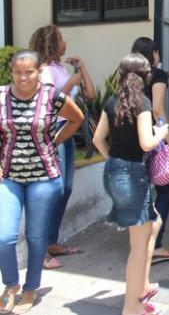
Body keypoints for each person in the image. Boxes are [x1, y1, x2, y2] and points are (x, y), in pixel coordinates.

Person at [0, 50, 83, 314]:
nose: (22, 77)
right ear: (11, 72)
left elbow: (76, 119)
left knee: (37, 238)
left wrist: (54, 141)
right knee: (4, 237)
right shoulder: (1, 97)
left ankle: (30, 288)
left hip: (43, 178)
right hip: (8, 177)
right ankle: (10, 285)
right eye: (17, 72)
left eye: (29, 71)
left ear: (39, 72)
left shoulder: (52, 96)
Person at [93, 53, 169, 315]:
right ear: (146, 76)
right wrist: (161, 131)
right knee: (137, 247)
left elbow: (97, 140)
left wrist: (114, 161)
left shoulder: (111, 101)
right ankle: (132, 307)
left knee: (154, 223)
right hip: (133, 175)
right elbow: (146, 143)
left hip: (114, 171)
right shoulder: (143, 102)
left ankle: (143, 286)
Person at [28, 25, 95, 270]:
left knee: (64, 190)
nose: (66, 43)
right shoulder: (44, 70)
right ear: (51, 45)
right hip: (53, 133)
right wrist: (71, 83)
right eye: (61, 40)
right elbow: (49, 101)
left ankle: (52, 242)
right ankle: (41, 250)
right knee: (52, 191)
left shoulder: (59, 68)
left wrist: (82, 68)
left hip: (67, 133)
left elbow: (90, 95)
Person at [131, 37, 169, 265]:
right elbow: (157, 109)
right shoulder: (157, 75)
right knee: (165, 189)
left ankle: (139, 246)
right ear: (155, 54)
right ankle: (155, 244)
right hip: (152, 138)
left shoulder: (128, 76)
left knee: (142, 194)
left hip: (131, 139)